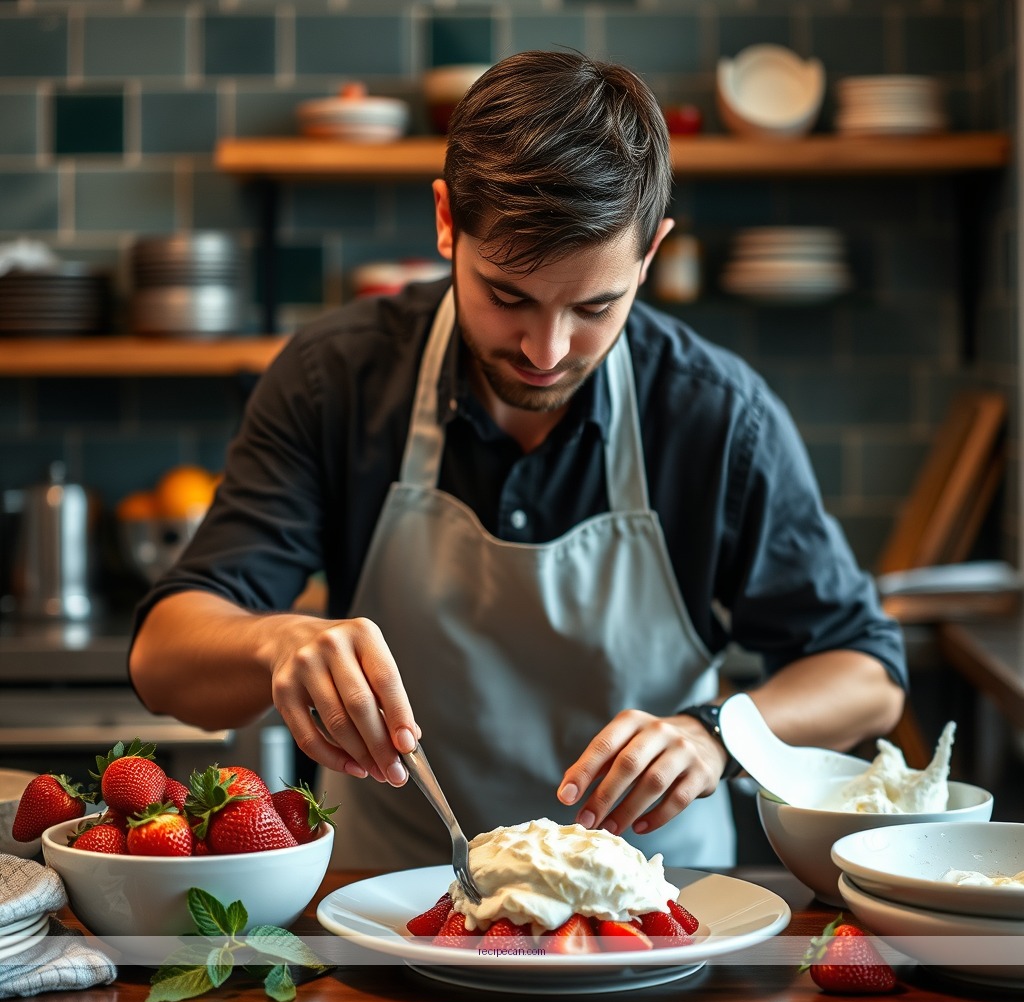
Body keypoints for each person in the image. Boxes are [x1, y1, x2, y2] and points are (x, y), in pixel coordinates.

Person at [128, 49, 907, 871]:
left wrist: (712, 734)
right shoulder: (337, 381)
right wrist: (277, 643)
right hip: (393, 907)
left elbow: (866, 673)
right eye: (508, 296)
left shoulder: (718, 415)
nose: (548, 349)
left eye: (597, 306)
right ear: (445, 222)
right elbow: (162, 657)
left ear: (651, 254)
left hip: (656, 912)